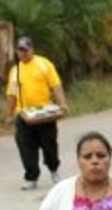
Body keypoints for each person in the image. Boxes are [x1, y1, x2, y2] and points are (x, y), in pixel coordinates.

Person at [5, 37, 69, 190]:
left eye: (25, 50)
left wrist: (63, 103)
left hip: (44, 114)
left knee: (49, 146)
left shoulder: (44, 64)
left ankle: (54, 171)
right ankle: (31, 177)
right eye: (20, 51)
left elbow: (56, 85)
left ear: (31, 50)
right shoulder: (15, 71)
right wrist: (8, 114)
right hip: (24, 116)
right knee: (25, 147)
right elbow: (11, 95)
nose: (23, 54)